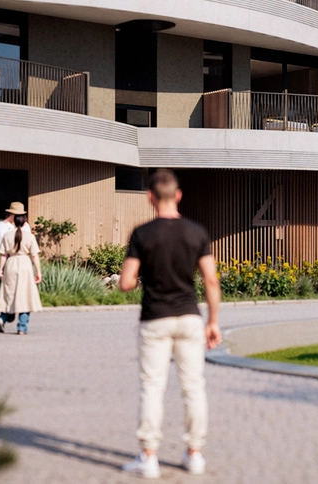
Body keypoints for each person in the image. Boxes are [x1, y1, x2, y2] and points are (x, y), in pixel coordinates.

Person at [120, 170, 221, 479]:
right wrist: (213, 321)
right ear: (178, 195)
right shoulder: (196, 232)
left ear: (150, 197)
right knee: (194, 387)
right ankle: (194, 454)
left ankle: (149, 457)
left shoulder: (142, 234)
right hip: (189, 317)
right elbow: (211, 280)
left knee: (152, 387)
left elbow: (125, 282)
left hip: (155, 318)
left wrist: (141, 276)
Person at [0, 211, 41, 334]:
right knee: (25, 296)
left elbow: (3, 254)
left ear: (14, 221)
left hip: (11, 264)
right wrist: (38, 272)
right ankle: (22, 327)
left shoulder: (7, 236)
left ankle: (2, 318)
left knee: (9, 294)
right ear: (25, 221)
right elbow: (35, 255)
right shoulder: (30, 237)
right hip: (25, 265)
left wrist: (1, 269)